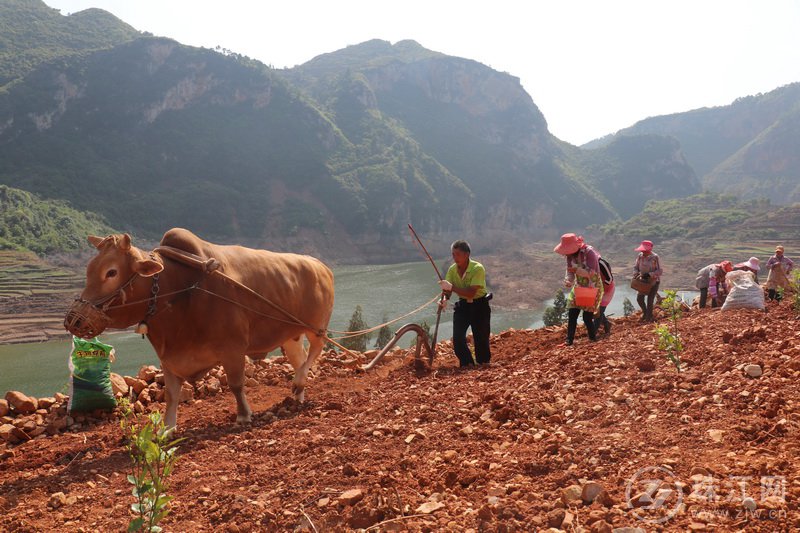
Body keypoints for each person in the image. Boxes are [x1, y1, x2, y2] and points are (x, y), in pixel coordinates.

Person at [438, 240, 491, 366]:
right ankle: (467, 364)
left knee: (481, 338)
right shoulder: (452, 269)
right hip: (463, 306)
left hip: (480, 305)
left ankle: (483, 364)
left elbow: (471, 293)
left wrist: (451, 288)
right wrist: (444, 299)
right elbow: (448, 290)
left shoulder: (477, 268)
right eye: (453, 254)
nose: (454, 257)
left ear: (466, 254)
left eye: (457, 254)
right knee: (458, 338)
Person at [554, 233, 603, 346]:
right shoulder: (569, 256)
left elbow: (593, 272)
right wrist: (569, 280)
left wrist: (577, 270)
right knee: (572, 313)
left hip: (592, 286)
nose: (567, 254)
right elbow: (570, 271)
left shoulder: (589, 252)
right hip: (579, 285)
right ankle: (569, 340)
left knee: (587, 317)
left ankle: (592, 339)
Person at [632, 240, 662, 322]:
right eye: (642, 250)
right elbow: (635, 267)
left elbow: (659, 271)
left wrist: (649, 274)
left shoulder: (655, 257)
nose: (643, 252)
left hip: (653, 282)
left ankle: (649, 318)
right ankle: (645, 313)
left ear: (649, 250)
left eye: (645, 251)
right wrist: (636, 274)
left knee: (650, 300)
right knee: (640, 299)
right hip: (643, 282)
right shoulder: (640, 256)